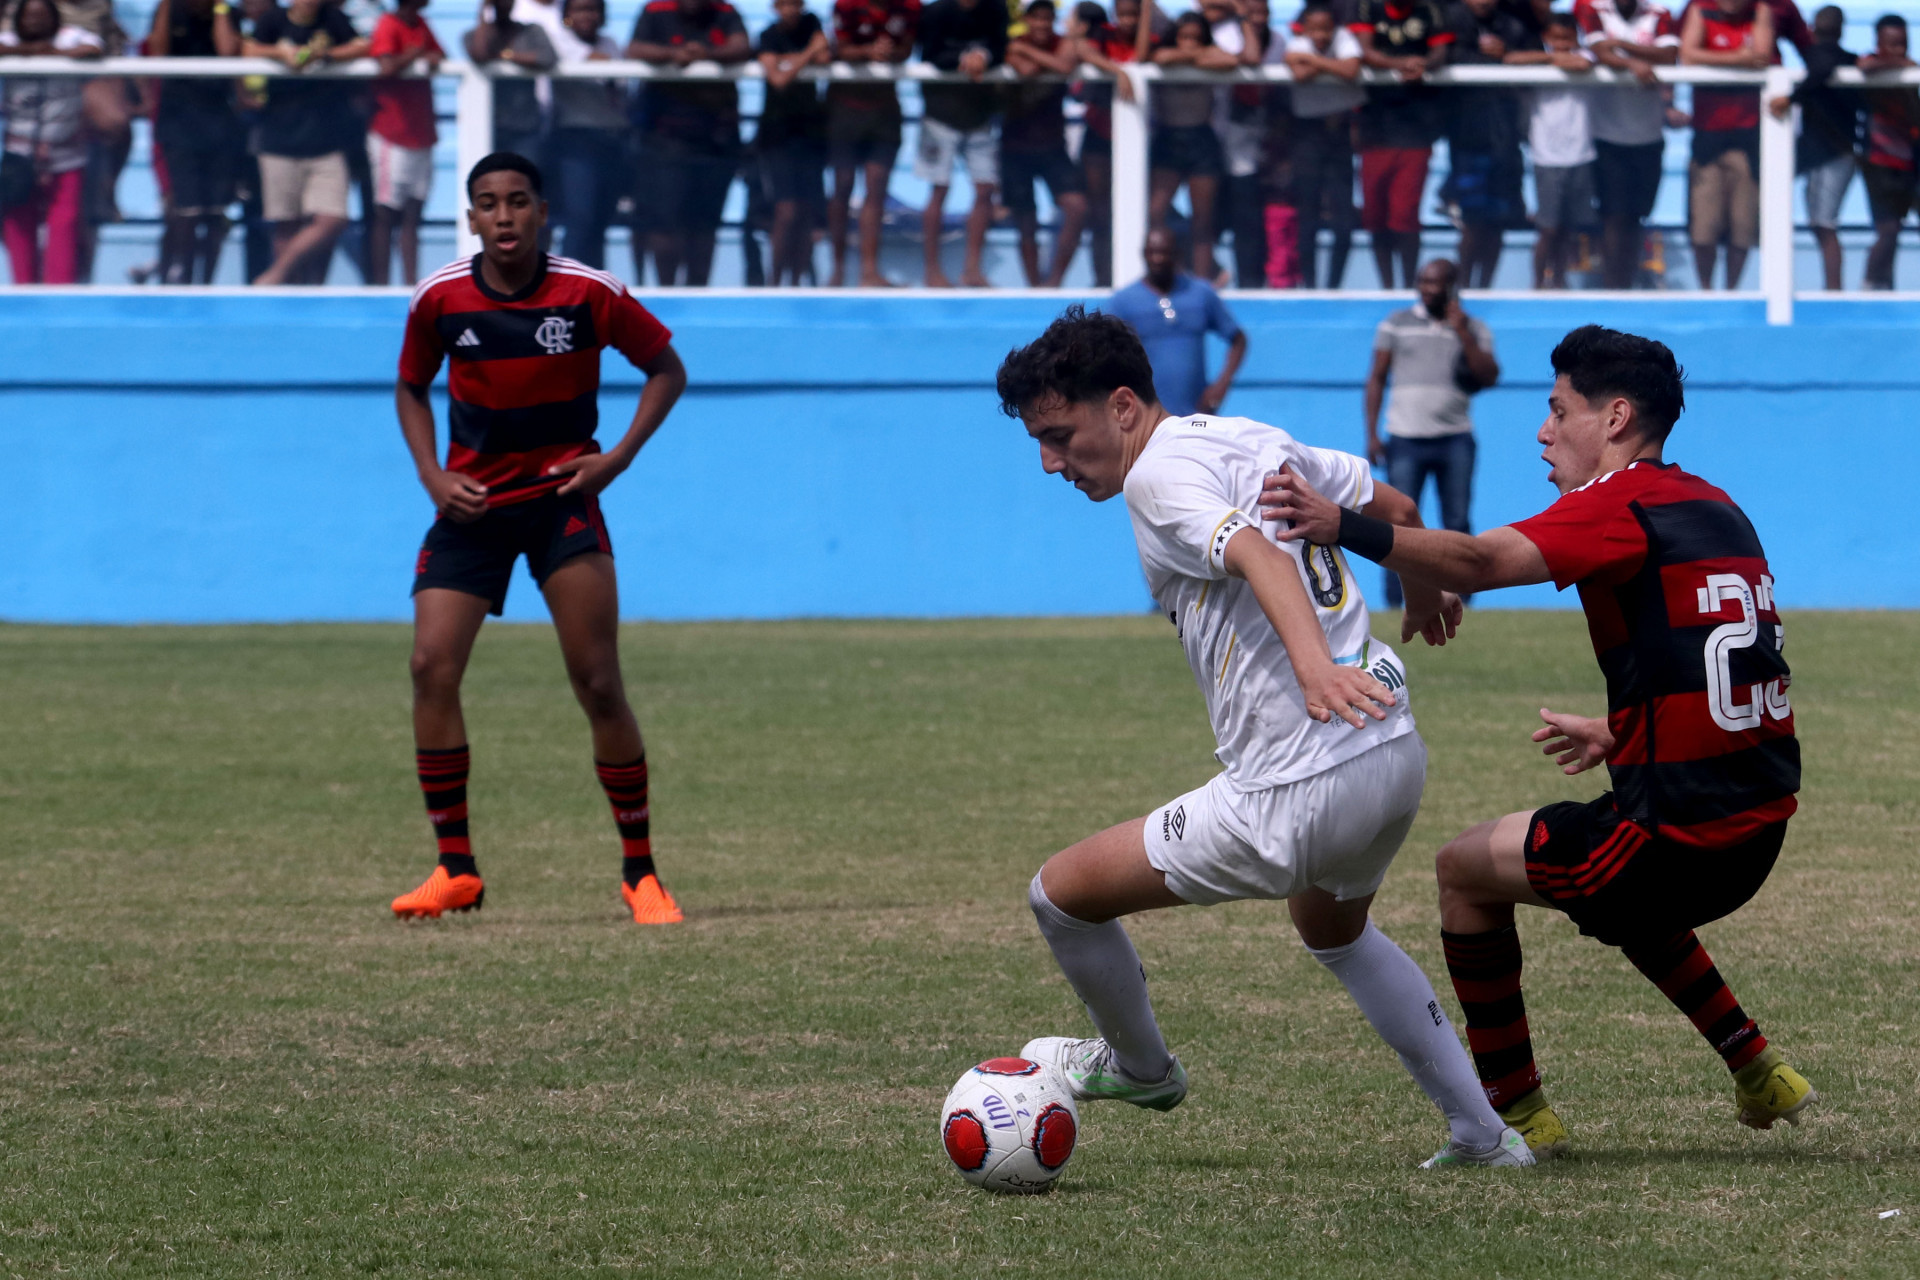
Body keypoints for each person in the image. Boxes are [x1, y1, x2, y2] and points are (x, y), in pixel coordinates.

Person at [993, 306, 1533, 1171]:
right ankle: (1483, 1135)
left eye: (1060, 435)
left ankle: (1142, 1070)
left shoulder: (1155, 478)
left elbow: (1259, 554)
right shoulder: (1249, 436)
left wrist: (1315, 668)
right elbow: (1389, 503)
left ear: (1123, 405)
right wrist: (1423, 582)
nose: (1051, 462)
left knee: (1058, 895)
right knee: (1335, 930)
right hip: (1391, 753)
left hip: (1297, 787)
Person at [1260, 324, 1816, 1160]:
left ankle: (1515, 1117)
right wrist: (1625, 732)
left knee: (1464, 871)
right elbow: (1729, 670)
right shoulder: (1712, 503)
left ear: (1616, 417)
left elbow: (1479, 561)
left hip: (1682, 842)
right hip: (1754, 825)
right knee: (1600, 867)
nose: (1543, 430)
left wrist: (1342, 523)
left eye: (1559, 410)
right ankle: (1756, 1066)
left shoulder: (1615, 505)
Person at [391, 153, 692, 925]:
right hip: (473, 508)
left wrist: (615, 459)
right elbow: (410, 386)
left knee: (597, 682)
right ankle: (454, 867)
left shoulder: (587, 293)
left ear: (541, 211)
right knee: (430, 665)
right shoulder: (440, 300)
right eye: (487, 204)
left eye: (517, 202)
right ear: (470, 219)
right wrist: (432, 475)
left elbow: (666, 369)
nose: (503, 216)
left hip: (563, 503)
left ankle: (641, 874)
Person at [1365, 259, 1497, 607]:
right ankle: (1397, 603)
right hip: (1405, 437)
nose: (1428, 288)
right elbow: (1376, 377)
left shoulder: (1475, 327)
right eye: (1423, 281)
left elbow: (1489, 375)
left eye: (1435, 283)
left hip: (1455, 437)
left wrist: (1462, 331)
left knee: (1456, 522)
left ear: (1453, 287)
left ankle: (1462, 600)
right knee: (1398, 525)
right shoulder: (1396, 323)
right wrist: (1372, 434)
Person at [241, 0, 368, 285]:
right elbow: (248, 49)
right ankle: (290, 291)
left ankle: (278, 277)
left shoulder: (333, 19)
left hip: (326, 139)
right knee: (286, 223)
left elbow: (362, 46)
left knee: (332, 219)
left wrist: (325, 55)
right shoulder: (273, 19)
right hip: (279, 138)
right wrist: (282, 54)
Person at [628, 0, 752, 286]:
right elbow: (635, 48)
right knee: (665, 222)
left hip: (715, 141)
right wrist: (674, 54)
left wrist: (706, 55)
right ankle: (668, 292)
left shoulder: (726, 12)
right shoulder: (654, 11)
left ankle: (698, 293)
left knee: (705, 224)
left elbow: (742, 47)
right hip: (664, 140)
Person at [1575, 0, 1677, 289]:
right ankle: (1612, 288)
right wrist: (1636, 63)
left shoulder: (1660, 13)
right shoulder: (1593, 9)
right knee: (1613, 216)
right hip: (1607, 135)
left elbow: (1669, 55)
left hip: (1649, 135)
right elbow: (1599, 51)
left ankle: (1626, 286)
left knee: (1635, 217)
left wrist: (1622, 47)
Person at [0, 0, 103, 284]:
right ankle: (24, 288)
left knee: (65, 224)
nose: (35, 22)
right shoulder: (8, 39)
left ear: (55, 18)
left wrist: (54, 55)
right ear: (18, 19)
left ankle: (58, 292)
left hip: (66, 151)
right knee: (18, 223)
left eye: (42, 16)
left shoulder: (70, 36)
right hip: (19, 155)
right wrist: (28, 53)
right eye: (29, 16)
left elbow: (94, 48)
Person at [1351, 0, 1453, 287]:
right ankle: (1386, 286)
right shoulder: (1367, 7)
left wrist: (1423, 65)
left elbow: (1440, 52)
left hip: (1415, 130)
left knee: (1405, 215)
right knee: (1375, 216)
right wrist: (1400, 64)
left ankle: (1409, 286)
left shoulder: (1429, 8)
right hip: (1374, 128)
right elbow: (1365, 50)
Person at [146, 0, 242, 286]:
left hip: (221, 126)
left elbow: (227, 52)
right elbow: (158, 52)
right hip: (178, 125)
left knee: (215, 215)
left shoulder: (228, 14)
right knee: (185, 212)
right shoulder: (169, 12)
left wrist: (220, 9)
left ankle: (207, 285)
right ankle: (180, 282)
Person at [824, 0, 918, 287]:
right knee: (842, 185)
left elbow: (907, 50)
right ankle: (837, 269)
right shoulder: (847, 5)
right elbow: (839, 50)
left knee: (876, 188)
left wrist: (889, 52)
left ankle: (869, 271)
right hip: (844, 109)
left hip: (884, 111)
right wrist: (868, 51)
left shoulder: (909, 7)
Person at [1680, 0, 1771, 290]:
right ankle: (1706, 291)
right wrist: (1739, 59)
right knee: (1703, 227)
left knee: (1743, 227)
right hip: (1707, 139)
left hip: (1748, 140)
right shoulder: (1699, 9)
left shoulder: (1760, 11)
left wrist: (1716, 58)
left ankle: (1732, 291)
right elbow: (1688, 55)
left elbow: (1763, 55)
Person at [916, 0, 1008, 287]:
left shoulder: (996, 9)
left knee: (985, 190)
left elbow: (1000, 49)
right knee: (939, 189)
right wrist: (967, 58)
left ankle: (972, 270)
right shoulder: (935, 12)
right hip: (939, 116)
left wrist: (983, 56)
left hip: (980, 116)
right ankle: (932, 271)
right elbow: (929, 55)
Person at [1444, 0, 1535, 288]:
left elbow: (1533, 62)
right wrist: (1490, 59)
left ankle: (1485, 287)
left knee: (1498, 222)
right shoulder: (1450, 21)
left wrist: (1508, 55)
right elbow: (1445, 58)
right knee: (1473, 221)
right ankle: (1464, 287)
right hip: (1468, 139)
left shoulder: (1513, 25)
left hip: (1506, 139)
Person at [1108, 227, 1247, 415]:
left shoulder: (1201, 294)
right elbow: (1106, 353)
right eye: (1152, 252)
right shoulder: (1123, 301)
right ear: (1144, 254)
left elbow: (1238, 339)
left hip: (1196, 416)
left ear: (1177, 254)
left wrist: (1221, 385)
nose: (1158, 259)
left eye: (1164, 252)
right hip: (1146, 419)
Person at [1507, 12, 1598, 288]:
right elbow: (1510, 60)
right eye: (1556, 38)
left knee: (1568, 229)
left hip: (1581, 153)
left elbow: (1582, 63)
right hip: (1546, 155)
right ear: (1546, 38)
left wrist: (1558, 60)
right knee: (1548, 228)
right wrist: (1551, 58)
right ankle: (1537, 284)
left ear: (1576, 37)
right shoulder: (1539, 63)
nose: (1561, 43)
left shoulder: (1587, 58)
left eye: (1567, 38)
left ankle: (1559, 280)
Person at [1003, 0, 1090, 286]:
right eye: (1036, 18)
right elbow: (1025, 71)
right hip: (1015, 146)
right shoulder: (1012, 44)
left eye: (1046, 18)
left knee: (1076, 207)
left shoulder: (1033, 45)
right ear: (1027, 19)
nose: (1041, 24)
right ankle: (1033, 286)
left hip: (1053, 146)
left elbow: (1063, 65)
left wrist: (1027, 51)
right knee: (1026, 221)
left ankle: (1053, 282)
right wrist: (1036, 60)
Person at [1765, 6, 1853, 292]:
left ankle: (1833, 291)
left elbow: (1822, 69)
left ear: (1813, 30)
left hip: (1833, 155)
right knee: (1820, 224)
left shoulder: (1824, 60)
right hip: (1818, 153)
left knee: (1824, 225)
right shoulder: (1848, 60)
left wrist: (1791, 98)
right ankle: (1829, 289)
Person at [1148, 11, 1237, 279]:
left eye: (1196, 38)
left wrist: (1195, 56)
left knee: (1203, 220)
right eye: (1184, 37)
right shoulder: (1170, 54)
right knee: (1155, 212)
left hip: (1201, 139)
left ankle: (1202, 281)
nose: (1189, 42)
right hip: (1168, 139)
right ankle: (1162, 274)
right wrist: (1197, 56)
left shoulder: (1212, 54)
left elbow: (1230, 60)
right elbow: (1160, 58)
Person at [1281, 3, 1360, 288]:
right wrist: (1330, 67)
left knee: (1343, 220)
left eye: (1325, 29)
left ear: (1334, 27)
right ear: (1305, 28)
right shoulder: (1297, 43)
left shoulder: (1345, 40)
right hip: (1307, 136)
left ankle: (1335, 286)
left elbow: (1350, 70)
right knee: (1308, 216)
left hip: (1340, 135)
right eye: (1314, 29)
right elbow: (1300, 74)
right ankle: (1311, 285)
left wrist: (1314, 62)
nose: (1320, 36)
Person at [366, 0, 444, 285]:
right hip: (392, 132)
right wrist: (412, 55)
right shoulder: (388, 24)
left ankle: (411, 284)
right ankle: (381, 285)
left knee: (414, 212)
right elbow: (385, 65)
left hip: (421, 132)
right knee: (386, 213)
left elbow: (437, 52)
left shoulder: (421, 23)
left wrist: (429, 56)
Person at [546, 0, 627, 271]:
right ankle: (569, 285)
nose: (587, 15)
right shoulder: (558, 40)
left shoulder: (610, 43)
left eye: (593, 9)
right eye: (580, 8)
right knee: (579, 218)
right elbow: (602, 64)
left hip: (611, 141)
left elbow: (621, 83)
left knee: (601, 221)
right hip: (574, 141)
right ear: (566, 14)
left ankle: (595, 286)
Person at [756, 0, 830, 285]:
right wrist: (808, 53)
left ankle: (797, 281)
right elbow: (778, 79)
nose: (791, 9)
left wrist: (795, 59)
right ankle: (773, 282)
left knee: (807, 212)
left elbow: (824, 58)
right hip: (777, 134)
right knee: (786, 211)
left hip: (810, 132)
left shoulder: (813, 23)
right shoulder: (768, 36)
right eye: (785, 4)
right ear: (775, 7)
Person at [1066, 0, 1140, 286]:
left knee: (1139, 210)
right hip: (1098, 135)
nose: (1128, 20)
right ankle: (1103, 278)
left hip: (1136, 139)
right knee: (1099, 213)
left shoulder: (1151, 38)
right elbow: (1082, 50)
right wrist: (1118, 71)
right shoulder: (1104, 36)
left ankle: (1132, 277)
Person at [1858, 14, 1919, 291]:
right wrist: (1899, 65)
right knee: (1889, 230)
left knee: (1895, 232)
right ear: (1878, 42)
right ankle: (1870, 287)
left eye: (1903, 44)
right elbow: (1865, 67)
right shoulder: (1873, 65)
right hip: (1879, 162)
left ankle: (1888, 288)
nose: (1898, 50)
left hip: (1911, 163)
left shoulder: (1911, 76)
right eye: (1892, 44)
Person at [465, 0, 560, 174]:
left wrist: (505, 55)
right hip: (489, 124)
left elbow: (547, 58)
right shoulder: (474, 35)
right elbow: (480, 53)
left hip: (525, 127)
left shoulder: (530, 31)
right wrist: (485, 13)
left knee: (525, 178)